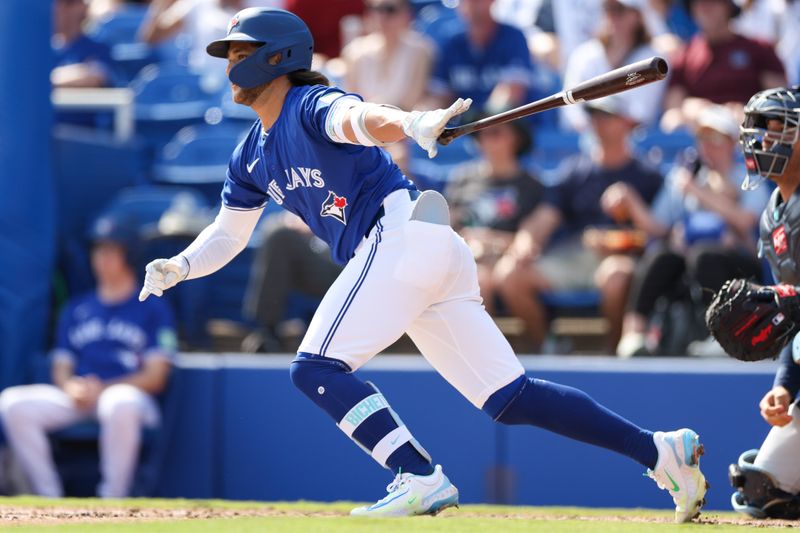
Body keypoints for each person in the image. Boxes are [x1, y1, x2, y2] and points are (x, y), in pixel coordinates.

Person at [138, 7, 706, 521]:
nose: (231, 63)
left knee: (314, 368)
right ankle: (660, 450)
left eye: (241, 51)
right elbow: (229, 234)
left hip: (400, 236)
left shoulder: (309, 105)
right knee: (511, 399)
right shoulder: (249, 155)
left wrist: (412, 124)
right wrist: (182, 264)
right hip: (424, 247)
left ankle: (417, 476)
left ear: (276, 57)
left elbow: (358, 119)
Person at [0, 213, 176, 498]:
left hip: (130, 399)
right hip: (81, 397)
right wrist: (71, 387)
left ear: (129, 255)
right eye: (97, 251)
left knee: (118, 402)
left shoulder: (153, 308)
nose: (101, 259)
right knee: (12, 403)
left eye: (110, 251)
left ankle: (113, 499)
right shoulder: (78, 308)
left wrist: (102, 389)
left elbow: (156, 377)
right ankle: (49, 498)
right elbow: (62, 366)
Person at [495, 95, 663, 352]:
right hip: (574, 257)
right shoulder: (575, 170)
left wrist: (632, 204)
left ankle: (616, 352)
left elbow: (659, 233)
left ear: (626, 123)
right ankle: (546, 348)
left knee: (617, 275)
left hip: (620, 259)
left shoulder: (647, 174)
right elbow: (546, 216)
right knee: (510, 274)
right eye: (594, 116)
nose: (598, 123)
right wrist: (527, 241)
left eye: (606, 116)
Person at [615, 104, 768, 357]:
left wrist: (698, 192)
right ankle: (634, 332)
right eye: (703, 138)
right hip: (689, 263)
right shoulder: (684, 179)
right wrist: (631, 203)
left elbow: (745, 222)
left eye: (716, 138)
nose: (708, 146)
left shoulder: (748, 177)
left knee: (705, 255)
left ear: (732, 143)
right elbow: (659, 226)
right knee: (662, 256)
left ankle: (723, 333)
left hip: (738, 264)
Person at [721, 85, 800, 519]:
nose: (765, 140)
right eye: (759, 130)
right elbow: (795, 319)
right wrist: (784, 387)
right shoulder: (773, 217)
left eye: (777, 128)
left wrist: (790, 297)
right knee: (764, 491)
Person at [445, 119, 543, 315]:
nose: (486, 139)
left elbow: (531, 239)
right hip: (469, 259)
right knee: (477, 280)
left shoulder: (532, 185)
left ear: (516, 139)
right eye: (481, 133)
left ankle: (541, 344)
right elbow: (447, 228)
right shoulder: (461, 179)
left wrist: (490, 241)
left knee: (501, 277)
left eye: (496, 132)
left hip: (512, 261)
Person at [660, 0, 786, 132]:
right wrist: (693, 109)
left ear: (728, 7)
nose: (705, 8)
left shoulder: (759, 49)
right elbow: (672, 112)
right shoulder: (684, 55)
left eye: (713, 2)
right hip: (700, 137)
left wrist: (750, 113)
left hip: (746, 135)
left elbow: (780, 104)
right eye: (697, 3)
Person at [242, 213, 343, 352]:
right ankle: (267, 332)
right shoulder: (306, 194)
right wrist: (289, 221)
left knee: (282, 237)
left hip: (353, 265)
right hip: (319, 257)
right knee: (279, 235)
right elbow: (268, 226)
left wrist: (320, 225)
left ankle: (268, 331)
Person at [562, 0, 665, 131]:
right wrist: (597, 131)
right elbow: (572, 112)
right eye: (607, 8)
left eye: (619, 9)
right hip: (586, 142)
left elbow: (640, 115)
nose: (612, 15)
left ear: (637, 15)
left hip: (632, 145)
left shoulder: (653, 60)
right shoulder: (583, 55)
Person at [427, 0, 535, 112]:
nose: (470, 4)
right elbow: (439, 96)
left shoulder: (513, 37)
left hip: (506, 123)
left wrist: (482, 121)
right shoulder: (448, 42)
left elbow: (512, 92)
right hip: (462, 125)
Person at [341, 0, 433, 112]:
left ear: (406, 14)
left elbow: (411, 101)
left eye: (390, 9)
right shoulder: (353, 52)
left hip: (402, 124)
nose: (382, 17)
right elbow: (351, 102)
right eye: (375, 9)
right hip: (362, 124)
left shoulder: (421, 51)